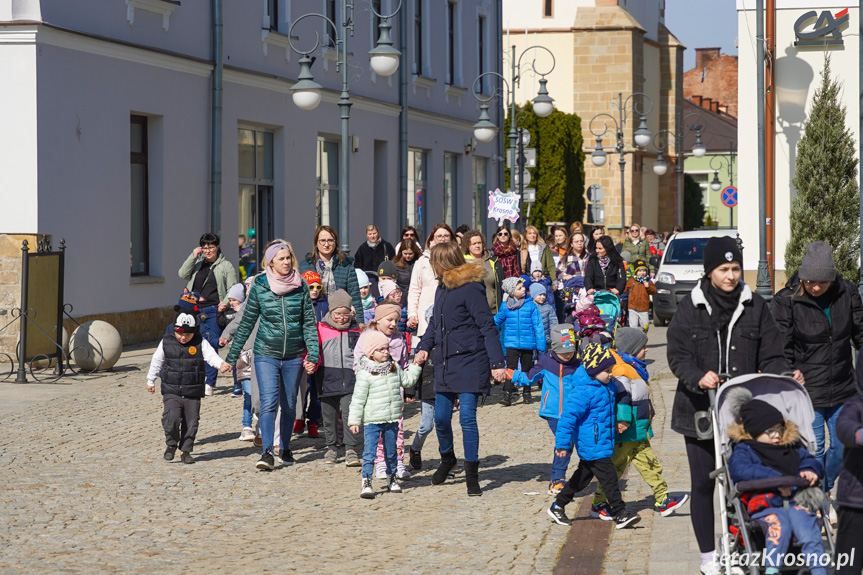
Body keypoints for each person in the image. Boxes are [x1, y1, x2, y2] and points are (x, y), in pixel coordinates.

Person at [667, 236, 789, 575]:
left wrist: (783, 375)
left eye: (735, 268)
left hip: (742, 413)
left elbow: (772, 352)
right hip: (699, 411)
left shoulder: (755, 306)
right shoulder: (690, 307)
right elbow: (676, 354)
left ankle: (742, 546)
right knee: (705, 483)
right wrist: (697, 376)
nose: (731, 275)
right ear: (709, 272)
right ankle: (709, 558)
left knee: (744, 480)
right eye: (723, 269)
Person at [415, 242, 507, 496]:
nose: (431, 266)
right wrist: (424, 347)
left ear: (442, 262)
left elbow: (487, 326)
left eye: (433, 261)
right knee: (441, 418)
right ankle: (448, 459)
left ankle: (472, 474)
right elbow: (435, 323)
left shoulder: (470, 289)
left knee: (467, 417)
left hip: (471, 361)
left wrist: (497, 364)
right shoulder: (442, 288)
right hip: (445, 363)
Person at [772, 241, 863, 496]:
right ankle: (818, 506)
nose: (815, 287)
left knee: (844, 446)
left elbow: (860, 334)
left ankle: (822, 490)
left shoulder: (848, 294)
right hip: (806, 389)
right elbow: (780, 345)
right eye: (809, 281)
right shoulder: (787, 300)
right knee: (815, 447)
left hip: (843, 384)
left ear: (831, 278)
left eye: (822, 282)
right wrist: (789, 372)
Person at [225, 241, 320, 471]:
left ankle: (284, 447)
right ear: (271, 262)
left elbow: (309, 322)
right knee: (268, 402)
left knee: (289, 405)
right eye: (281, 259)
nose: (286, 262)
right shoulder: (260, 285)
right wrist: (231, 356)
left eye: (288, 258)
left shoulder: (301, 286)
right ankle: (267, 451)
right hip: (266, 353)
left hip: (294, 355)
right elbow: (246, 322)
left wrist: (313, 354)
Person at [590, 328, 688, 519]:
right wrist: (623, 419)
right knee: (615, 469)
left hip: (637, 430)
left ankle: (663, 499)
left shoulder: (633, 367)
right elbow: (622, 396)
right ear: (632, 349)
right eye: (643, 347)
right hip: (627, 430)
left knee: (650, 465)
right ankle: (598, 503)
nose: (647, 350)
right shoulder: (622, 369)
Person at [727, 396, 827, 575]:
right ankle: (772, 570)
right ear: (754, 431)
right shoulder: (746, 450)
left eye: (779, 429)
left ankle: (818, 569)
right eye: (769, 431)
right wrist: (778, 479)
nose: (776, 435)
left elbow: (810, 461)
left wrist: (810, 469)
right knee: (778, 527)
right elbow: (740, 470)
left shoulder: (791, 447)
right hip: (766, 502)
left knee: (808, 531)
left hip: (797, 500)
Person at [546, 343, 641, 529]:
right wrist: (562, 445)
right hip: (593, 444)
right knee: (610, 479)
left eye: (611, 369)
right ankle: (621, 513)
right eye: (606, 370)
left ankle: (558, 505)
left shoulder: (607, 385)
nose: (611, 373)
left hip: (601, 442)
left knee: (580, 480)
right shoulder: (584, 391)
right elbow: (567, 418)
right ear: (593, 370)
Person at [146, 305, 232, 464]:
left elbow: (211, 356)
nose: (183, 338)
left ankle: (186, 450)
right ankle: (171, 444)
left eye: (187, 334)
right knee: (171, 418)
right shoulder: (166, 342)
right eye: (180, 334)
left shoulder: (200, 342)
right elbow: (157, 361)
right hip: (171, 389)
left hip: (193, 390)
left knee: (191, 422)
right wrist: (151, 380)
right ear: (175, 330)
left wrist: (221, 364)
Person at [350, 331, 422, 499]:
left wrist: (416, 365)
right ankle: (366, 480)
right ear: (371, 352)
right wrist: (354, 420)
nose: (386, 352)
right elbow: (358, 399)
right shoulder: (365, 373)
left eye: (387, 348)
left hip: (392, 418)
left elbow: (407, 380)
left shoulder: (393, 367)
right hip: (372, 421)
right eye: (381, 349)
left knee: (391, 452)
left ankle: (392, 476)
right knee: (369, 453)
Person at [509, 324, 580, 494]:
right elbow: (529, 378)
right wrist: (511, 374)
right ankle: (557, 479)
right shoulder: (546, 362)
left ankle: (588, 474)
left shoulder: (578, 365)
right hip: (554, 413)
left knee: (580, 443)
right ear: (555, 349)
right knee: (566, 442)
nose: (568, 355)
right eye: (563, 352)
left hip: (574, 413)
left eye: (570, 351)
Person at [355, 301, 413, 480]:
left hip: (394, 392)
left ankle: (397, 460)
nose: (393, 324)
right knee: (377, 430)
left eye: (396, 320)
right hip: (375, 393)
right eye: (389, 320)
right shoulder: (367, 336)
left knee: (398, 428)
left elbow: (404, 364)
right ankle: (380, 462)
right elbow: (357, 363)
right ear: (378, 319)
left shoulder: (398, 338)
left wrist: (406, 388)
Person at [178, 232, 238, 395]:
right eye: (204, 247)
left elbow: (233, 288)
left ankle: (209, 383)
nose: (208, 250)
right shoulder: (197, 264)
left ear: (217, 247)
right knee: (192, 345)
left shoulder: (226, 266)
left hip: (213, 311)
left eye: (211, 247)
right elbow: (182, 274)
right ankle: (194, 380)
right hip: (194, 309)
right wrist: (193, 256)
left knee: (211, 345)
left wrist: (224, 303)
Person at [314, 290, 363, 467]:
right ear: (331, 312)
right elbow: (313, 351)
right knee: (329, 417)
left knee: (351, 415)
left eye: (345, 314)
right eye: (337, 314)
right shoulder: (321, 328)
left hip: (351, 379)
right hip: (327, 378)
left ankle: (350, 448)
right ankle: (331, 448)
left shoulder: (356, 329)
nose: (341, 318)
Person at [495, 277, 546, 406]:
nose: (523, 289)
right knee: (511, 368)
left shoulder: (531, 305)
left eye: (523, 287)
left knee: (526, 368)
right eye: (519, 288)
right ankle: (507, 394)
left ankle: (527, 392)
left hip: (528, 343)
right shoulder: (505, 306)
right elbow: (496, 321)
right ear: (512, 292)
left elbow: (538, 326)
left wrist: (541, 344)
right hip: (511, 343)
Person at [834, 354, 863, 575]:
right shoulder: (855, 405)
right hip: (855, 503)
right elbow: (844, 427)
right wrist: (859, 435)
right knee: (848, 565)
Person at [299, 225, 363, 319]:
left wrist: (360, 324)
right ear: (316, 243)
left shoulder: (346, 267)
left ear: (335, 243)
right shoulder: (305, 266)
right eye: (322, 240)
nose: (326, 244)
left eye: (330, 240)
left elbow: (355, 298)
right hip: (312, 319)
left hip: (340, 319)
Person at [407, 223, 455, 339]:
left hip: (451, 311)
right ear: (433, 238)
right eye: (439, 236)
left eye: (446, 235)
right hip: (427, 311)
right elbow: (414, 289)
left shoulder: (456, 258)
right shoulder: (422, 261)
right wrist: (412, 314)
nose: (443, 238)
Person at [462, 229, 504, 314]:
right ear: (467, 246)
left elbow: (501, 286)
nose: (477, 246)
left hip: (493, 312)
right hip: (470, 313)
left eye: (479, 243)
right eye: (474, 244)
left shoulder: (493, 261)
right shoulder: (462, 263)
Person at [623, 259, 656, 329]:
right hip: (632, 308)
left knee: (645, 327)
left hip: (644, 308)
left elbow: (654, 291)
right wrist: (618, 290)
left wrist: (648, 287)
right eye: (640, 271)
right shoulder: (631, 280)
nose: (642, 273)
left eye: (644, 271)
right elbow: (624, 289)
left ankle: (643, 338)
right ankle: (634, 339)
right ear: (636, 272)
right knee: (633, 327)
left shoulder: (648, 281)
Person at [393, 238, 422, 307]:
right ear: (401, 252)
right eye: (405, 253)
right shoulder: (396, 265)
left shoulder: (420, 263)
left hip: (417, 298)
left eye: (410, 254)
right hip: (401, 299)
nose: (407, 256)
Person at [530, 283, 558, 349]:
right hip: (531, 340)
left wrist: (552, 337)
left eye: (544, 295)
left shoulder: (548, 308)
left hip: (544, 339)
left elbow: (553, 323)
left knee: (542, 358)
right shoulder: (528, 307)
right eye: (540, 294)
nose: (543, 297)